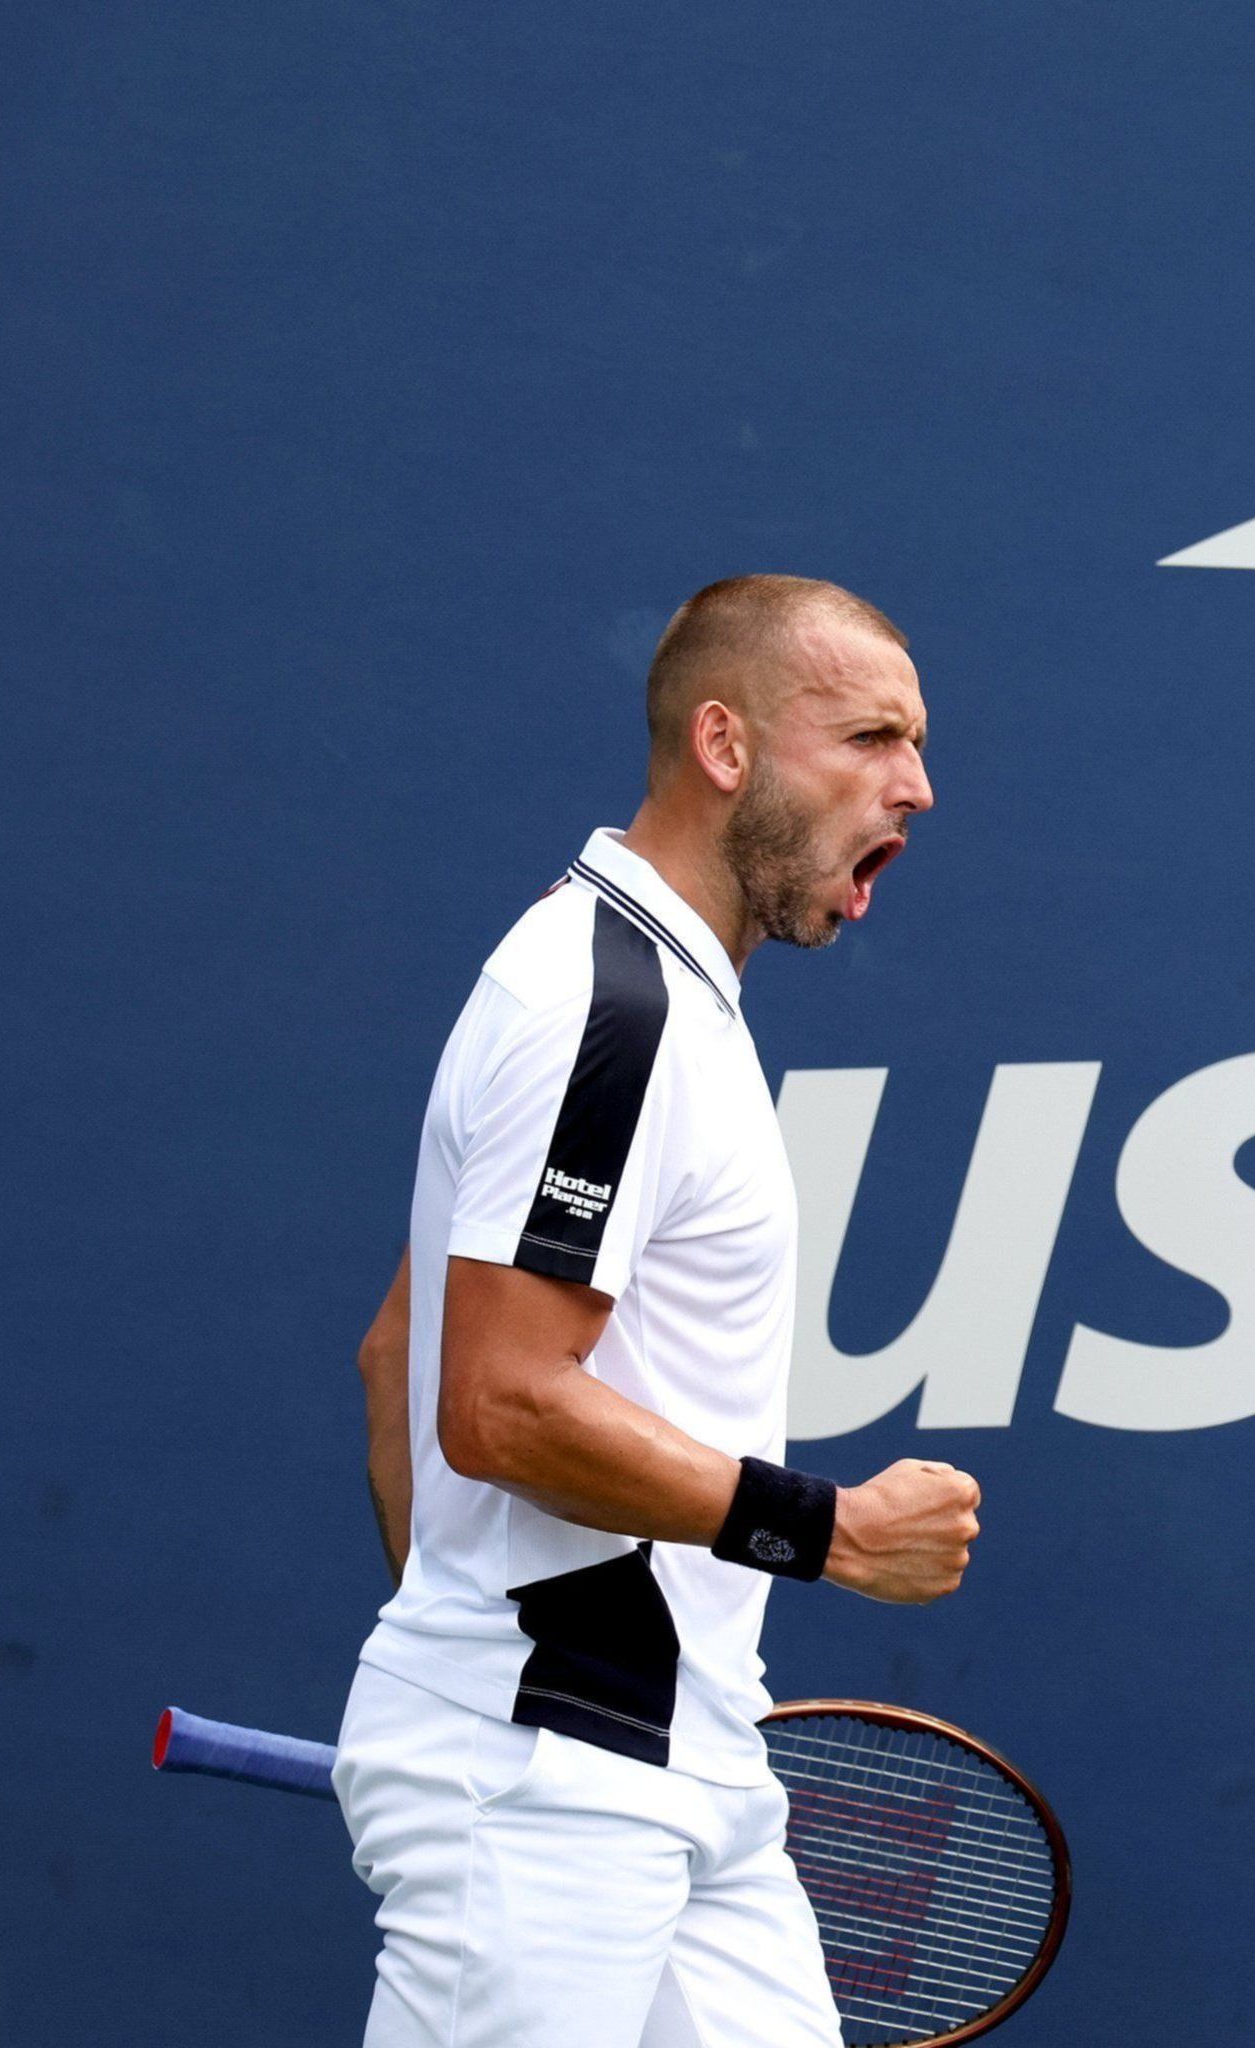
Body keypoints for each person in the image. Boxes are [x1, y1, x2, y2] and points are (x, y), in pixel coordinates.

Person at [334, 573, 982, 2048]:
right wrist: (821, 1531)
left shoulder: (663, 1005)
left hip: (675, 1768)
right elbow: (491, 1399)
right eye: (872, 736)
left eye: (919, 744)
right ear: (725, 745)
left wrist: (459, 1654)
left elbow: (398, 1351)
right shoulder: (603, 1007)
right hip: (552, 1788)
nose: (917, 787)